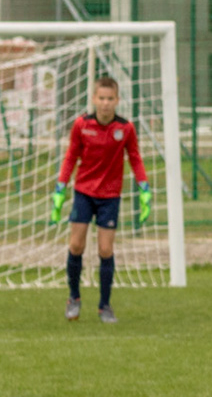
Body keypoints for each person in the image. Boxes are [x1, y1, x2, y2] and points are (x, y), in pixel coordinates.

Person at [50, 75, 150, 324]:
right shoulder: (81, 125)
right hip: (84, 192)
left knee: (105, 250)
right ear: (94, 99)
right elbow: (71, 156)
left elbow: (135, 157)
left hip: (110, 196)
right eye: (101, 98)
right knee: (76, 246)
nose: (105, 103)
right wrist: (60, 187)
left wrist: (144, 186)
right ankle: (74, 298)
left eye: (110, 99)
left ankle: (105, 305)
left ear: (117, 100)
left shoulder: (125, 128)